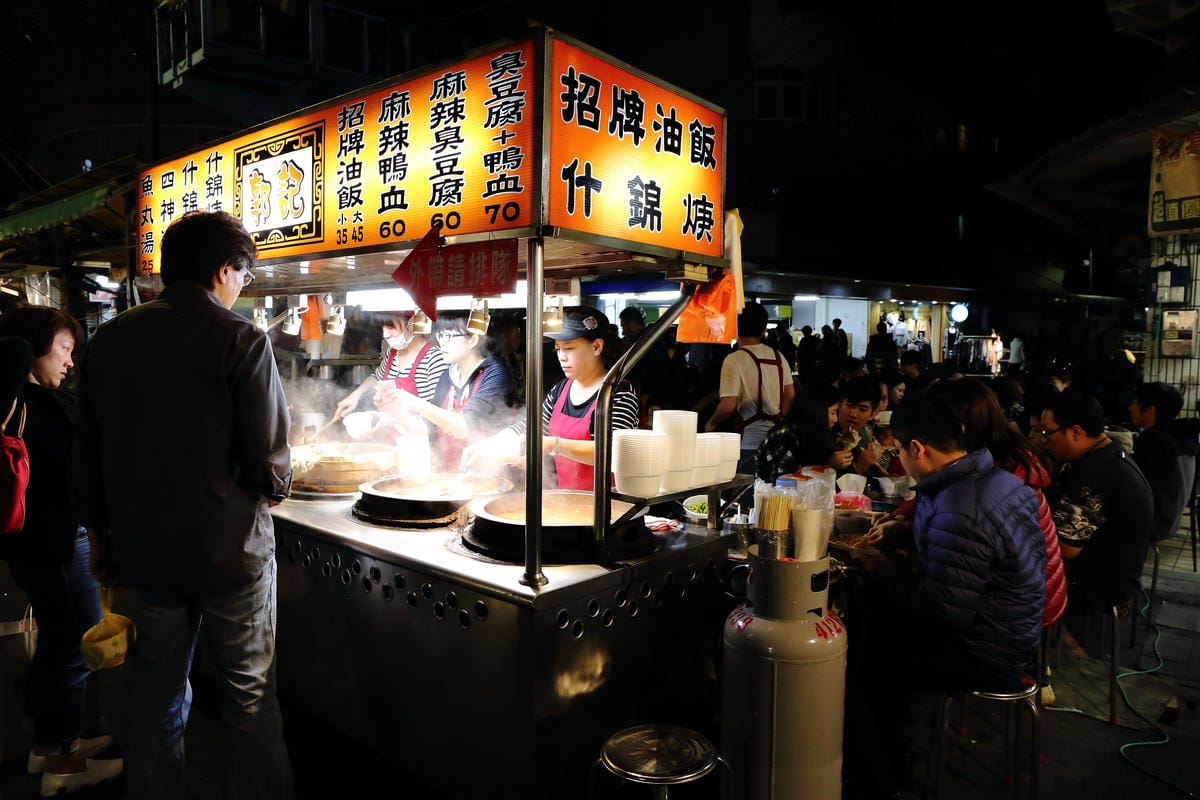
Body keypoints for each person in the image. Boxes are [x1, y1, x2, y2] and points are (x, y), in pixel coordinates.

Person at [71, 211, 293, 800]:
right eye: (243, 275)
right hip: (231, 554)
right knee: (248, 694)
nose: (241, 287)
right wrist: (276, 486)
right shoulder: (241, 337)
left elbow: (86, 452)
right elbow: (269, 463)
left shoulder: (110, 339)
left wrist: (100, 538)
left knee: (156, 690)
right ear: (224, 270)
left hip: (144, 556)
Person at [849, 394, 1045, 794]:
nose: (900, 458)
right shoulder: (992, 479)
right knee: (875, 627)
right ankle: (895, 738)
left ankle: (882, 779)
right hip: (1014, 628)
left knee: (858, 669)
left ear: (917, 448)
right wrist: (905, 532)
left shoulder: (960, 506)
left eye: (899, 450)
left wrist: (886, 572)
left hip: (986, 648)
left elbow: (943, 612)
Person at [0, 318, 123, 797]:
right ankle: (65, 766)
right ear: (34, 347)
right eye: (64, 349)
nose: (70, 362)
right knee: (74, 647)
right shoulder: (20, 396)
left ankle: (50, 745)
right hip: (52, 543)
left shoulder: (27, 400)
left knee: (57, 643)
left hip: (35, 544)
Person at [462, 306, 638, 490]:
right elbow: (531, 427)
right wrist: (485, 446)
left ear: (596, 347)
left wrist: (553, 444)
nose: (562, 357)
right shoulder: (561, 389)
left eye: (569, 348)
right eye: (558, 349)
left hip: (608, 500)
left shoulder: (618, 393)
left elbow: (614, 452)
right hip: (568, 498)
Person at [1041, 391, 1153, 615]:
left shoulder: (1096, 472)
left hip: (1098, 582)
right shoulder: (1109, 451)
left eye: (1047, 432)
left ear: (1075, 432)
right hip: (1115, 572)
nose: (1044, 440)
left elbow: (1065, 548)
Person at [378, 311, 513, 471]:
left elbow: (465, 426)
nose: (442, 342)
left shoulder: (494, 373)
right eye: (441, 335)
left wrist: (414, 402)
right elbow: (428, 429)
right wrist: (397, 411)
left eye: (448, 336)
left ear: (473, 340)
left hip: (490, 473)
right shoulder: (448, 375)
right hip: (452, 474)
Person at [703, 301, 795, 474]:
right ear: (763, 330)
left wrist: (711, 423)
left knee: (747, 488)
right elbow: (790, 395)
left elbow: (728, 405)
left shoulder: (734, 360)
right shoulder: (778, 357)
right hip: (777, 442)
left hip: (749, 444)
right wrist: (777, 418)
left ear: (735, 327)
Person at [332, 310, 447, 419]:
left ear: (412, 323)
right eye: (382, 327)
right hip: (388, 430)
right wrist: (355, 395)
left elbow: (434, 416)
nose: (385, 334)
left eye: (391, 327)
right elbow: (377, 377)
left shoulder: (433, 357)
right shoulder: (393, 352)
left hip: (415, 433)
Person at [1129, 382, 1200, 543]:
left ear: (1151, 409)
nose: (1130, 408)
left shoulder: (1154, 440)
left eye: (1135, 403)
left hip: (1152, 523)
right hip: (1170, 521)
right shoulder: (1181, 434)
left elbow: (1134, 483)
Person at [754, 382, 846, 481]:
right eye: (833, 413)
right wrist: (827, 467)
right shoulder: (785, 436)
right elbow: (781, 483)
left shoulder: (818, 434)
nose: (836, 419)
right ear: (816, 412)